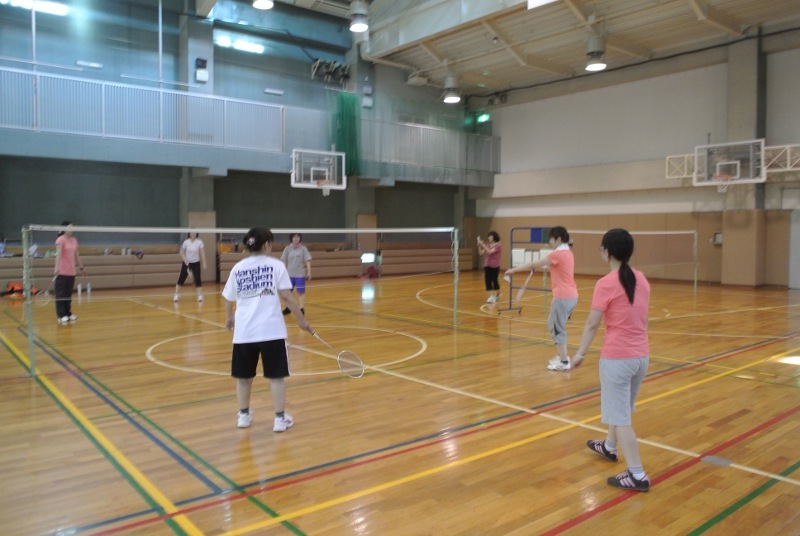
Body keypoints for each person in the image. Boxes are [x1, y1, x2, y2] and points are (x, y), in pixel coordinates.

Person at [572, 228, 651, 492]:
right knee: (622, 410)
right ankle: (609, 447)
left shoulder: (605, 283)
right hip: (641, 357)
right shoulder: (642, 279)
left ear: (607, 251)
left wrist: (580, 353)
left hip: (618, 359)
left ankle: (637, 474)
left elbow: (593, 324)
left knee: (620, 417)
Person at [222, 227, 313, 432]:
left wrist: (229, 318)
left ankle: (243, 416)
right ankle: (280, 420)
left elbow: (228, 298)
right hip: (271, 331)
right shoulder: (276, 266)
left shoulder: (238, 268)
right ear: (266, 245)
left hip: (244, 332)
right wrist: (301, 320)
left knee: (244, 377)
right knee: (276, 377)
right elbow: (288, 297)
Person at [504, 226, 578, 371]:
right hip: (569, 296)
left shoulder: (558, 254)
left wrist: (513, 270)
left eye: (551, 239)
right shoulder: (567, 252)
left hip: (563, 297)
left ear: (558, 239)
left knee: (557, 328)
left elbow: (534, 264)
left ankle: (564, 362)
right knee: (552, 324)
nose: (550, 242)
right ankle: (562, 355)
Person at [53, 221, 86, 325]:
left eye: (73, 227)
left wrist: (81, 268)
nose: (72, 229)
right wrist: (56, 267)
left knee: (68, 294)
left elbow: (77, 255)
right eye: (70, 227)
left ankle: (68, 313)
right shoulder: (60, 240)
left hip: (71, 272)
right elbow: (58, 254)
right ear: (64, 229)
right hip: (62, 272)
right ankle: (61, 315)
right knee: (60, 294)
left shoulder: (74, 240)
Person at [279, 233, 312, 316]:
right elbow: (283, 260)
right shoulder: (287, 249)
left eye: (298, 237)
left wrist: (309, 271)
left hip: (300, 274)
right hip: (289, 274)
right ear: (291, 238)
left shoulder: (303, 249)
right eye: (294, 237)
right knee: (287, 292)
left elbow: (307, 260)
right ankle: (288, 308)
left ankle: (301, 309)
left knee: (301, 292)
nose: (296, 238)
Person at [174, 231, 207, 302]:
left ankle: (200, 296)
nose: (193, 234)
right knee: (181, 279)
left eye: (194, 233)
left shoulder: (199, 242)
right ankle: (176, 295)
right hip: (187, 263)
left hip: (196, 263)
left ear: (196, 234)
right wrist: (186, 261)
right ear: (189, 234)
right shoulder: (186, 242)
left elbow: (202, 253)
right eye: (192, 233)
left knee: (198, 280)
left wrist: (204, 263)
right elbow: (182, 252)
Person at [477, 231, 502, 303]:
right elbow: (480, 253)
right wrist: (479, 246)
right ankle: (491, 296)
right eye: (488, 236)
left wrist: (483, 245)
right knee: (488, 280)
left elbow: (490, 252)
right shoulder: (487, 245)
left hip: (495, 266)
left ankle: (498, 293)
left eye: (490, 236)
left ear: (494, 237)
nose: (489, 238)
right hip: (487, 265)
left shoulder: (498, 245)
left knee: (495, 280)